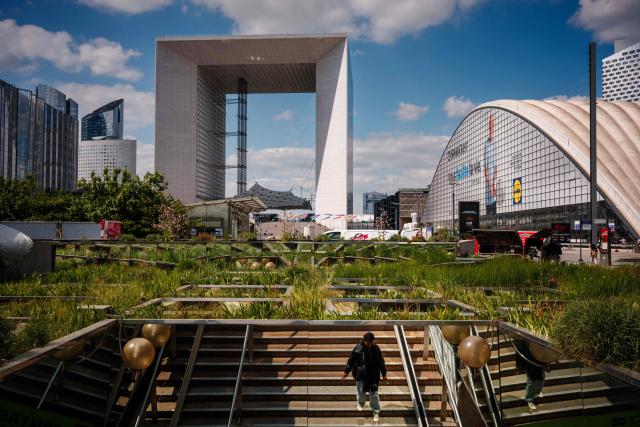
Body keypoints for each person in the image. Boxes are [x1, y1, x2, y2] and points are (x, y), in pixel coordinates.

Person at [342, 332, 388, 422]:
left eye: (371, 343)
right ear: (365, 341)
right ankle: (360, 403)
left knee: (374, 394)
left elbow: (381, 362)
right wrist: (346, 371)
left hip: (373, 375)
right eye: (368, 343)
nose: (369, 345)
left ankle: (376, 412)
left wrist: (384, 374)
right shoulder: (359, 347)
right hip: (361, 374)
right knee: (360, 390)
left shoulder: (376, 348)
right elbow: (351, 359)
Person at [514, 340, 545, 411]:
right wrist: (518, 366)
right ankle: (529, 400)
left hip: (539, 361)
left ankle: (537, 391)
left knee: (541, 379)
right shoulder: (522, 341)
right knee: (531, 382)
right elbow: (519, 353)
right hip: (528, 363)